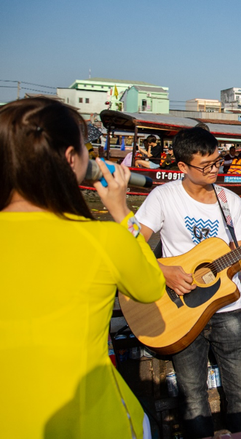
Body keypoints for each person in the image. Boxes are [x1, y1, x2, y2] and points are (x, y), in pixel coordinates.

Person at [0, 97, 165, 438]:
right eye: (86, 149)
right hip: (91, 420)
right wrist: (122, 213)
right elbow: (150, 286)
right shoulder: (103, 238)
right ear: (71, 159)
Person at [135, 127, 241, 437]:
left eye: (217, 162)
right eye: (205, 166)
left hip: (229, 309)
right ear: (182, 167)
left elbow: (238, 256)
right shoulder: (162, 197)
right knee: (193, 398)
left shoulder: (229, 200)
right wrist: (162, 271)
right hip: (183, 311)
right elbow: (131, 244)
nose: (214, 170)